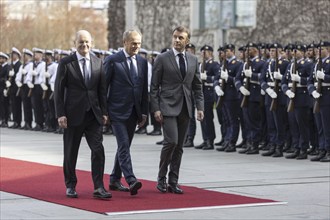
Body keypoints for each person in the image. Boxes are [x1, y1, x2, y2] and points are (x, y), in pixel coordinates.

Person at [54, 30, 111, 199]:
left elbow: (102, 90)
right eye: (81, 42)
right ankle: (70, 185)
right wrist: (61, 114)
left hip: (93, 115)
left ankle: (99, 186)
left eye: (87, 42)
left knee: (98, 150)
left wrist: (105, 112)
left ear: (91, 43)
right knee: (71, 151)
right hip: (73, 115)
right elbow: (58, 90)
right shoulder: (66, 63)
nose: (84, 45)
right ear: (75, 44)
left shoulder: (98, 62)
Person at [150, 26, 204, 194]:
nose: (177, 40)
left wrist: (200, 107)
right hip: (167, 107)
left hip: (186, 108)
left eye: (181, 38)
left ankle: (173, 181)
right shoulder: (162, 58)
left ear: (187, 41)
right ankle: (161, 178)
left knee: (179, 147)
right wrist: (156, 108)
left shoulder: (193, 60)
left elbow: (197, 86)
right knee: (171, 142)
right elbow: (154, 87)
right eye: (175, 37)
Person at [103, 29, 148, 196]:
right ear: (125, 43)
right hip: (116, 111)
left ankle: (114, 179)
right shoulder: (113, 60)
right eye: (133, 43)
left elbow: (143, 89)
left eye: (139, 43)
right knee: (123, 145)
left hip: (133, 112)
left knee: (125, 146)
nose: (136, 46)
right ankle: (131, 179)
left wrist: (144, 112)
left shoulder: (143, 62)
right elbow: (103, 87)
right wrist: (104, 111)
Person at [194, 45, 219, 150]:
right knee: (202, 118)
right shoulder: (200, 65)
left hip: (208, 93)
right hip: (201, 93)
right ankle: (205, 139)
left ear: (211, 53)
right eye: (202, 52)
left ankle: (210, 140)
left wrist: (207, 78)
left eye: (206, 52)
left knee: (208, 118)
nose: (204, 54)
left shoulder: (214, 64)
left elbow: (217, 77)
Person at [7, 48, 22, 129]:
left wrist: (14, 74)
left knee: (17, 105)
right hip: (12, 88)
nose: (12, 56)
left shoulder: (19, 64)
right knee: (13, 106)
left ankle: (18, 122)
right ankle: (15, 121)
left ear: (17, 55)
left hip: (17, 88)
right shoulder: (11, 65)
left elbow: (19, 76)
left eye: (13, 55)